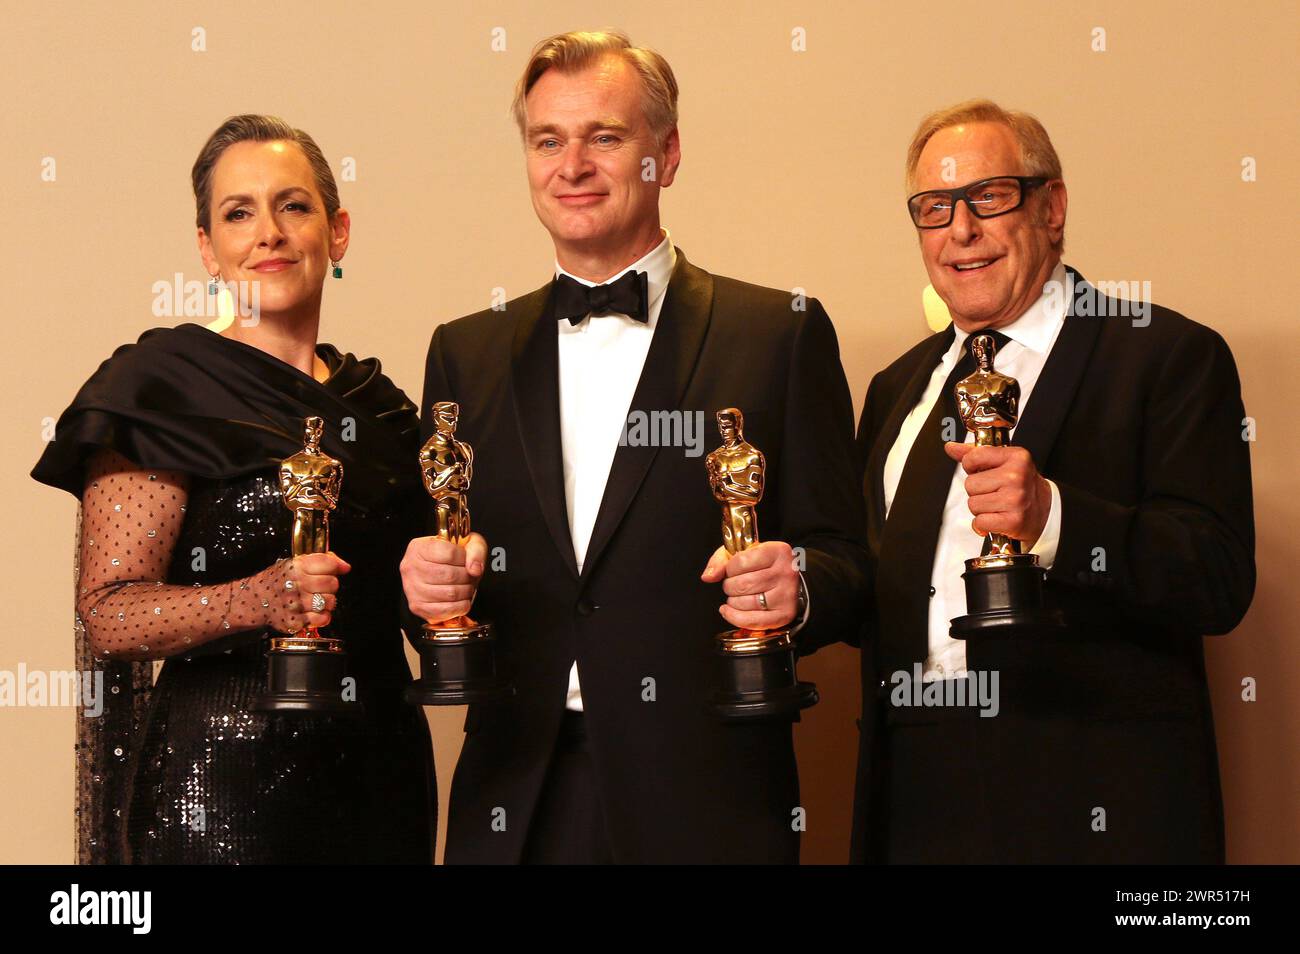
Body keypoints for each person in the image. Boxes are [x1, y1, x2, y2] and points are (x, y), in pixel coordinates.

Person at [400, 31, 868, 864]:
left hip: (710, 801)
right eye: (549, 140)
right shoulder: (463, 351)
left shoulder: (778, 334)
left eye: (605, 137)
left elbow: (850, 563)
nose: (572, 164)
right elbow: (443, 581)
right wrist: (425, 590)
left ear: (668, 154)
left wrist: (795, 585)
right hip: (516, 798)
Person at [853, 99, 1255, 863]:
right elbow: (869, 586)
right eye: (934, 208)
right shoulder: (894, 388)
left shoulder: (1165, 356)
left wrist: (1055, 517)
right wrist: (795, 586)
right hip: (916, 799)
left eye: (989, 197)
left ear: (1053, 207)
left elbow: (1219, 576)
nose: (960, 230)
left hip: (1096, 803)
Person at [32, 114, 435, 864]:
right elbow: (109, 612)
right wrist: (258, 598)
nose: (268, 233)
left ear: (338, 231)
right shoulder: (160, 389)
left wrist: (454, 585)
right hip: (218, 785)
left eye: (294, 205)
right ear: (206, 249)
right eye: (238, 213)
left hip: (382, 779)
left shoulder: (383, 410)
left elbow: (421, 604)